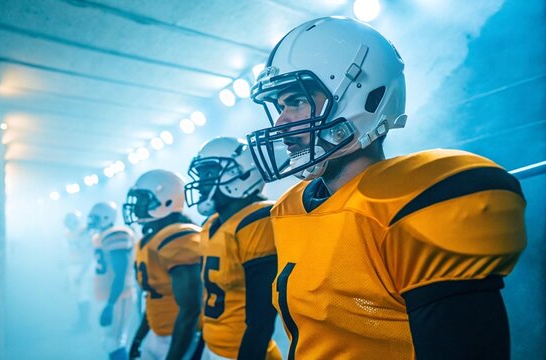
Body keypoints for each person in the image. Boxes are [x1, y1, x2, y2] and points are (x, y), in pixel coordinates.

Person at [245, 16, 527, 360]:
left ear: (360, 95)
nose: (280, 121)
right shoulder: (290, 209)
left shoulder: (409, 202)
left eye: (296, 101)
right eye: (279, 106)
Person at [185, 136, 282, 360]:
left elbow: (261, 319)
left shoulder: (256, 221)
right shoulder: (211, 224)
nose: (200, 183)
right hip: (214, 345)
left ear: (244, 174)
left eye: (208, 174)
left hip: (243, 352)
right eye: (200, 175)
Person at [123, 169, 203, 360]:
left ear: (167, 200)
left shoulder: (178, 238)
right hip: (157, 331)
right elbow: (154, 296)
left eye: (142, 199)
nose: (136, 206)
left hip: (180, 337)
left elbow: (191, 309)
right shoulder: (150, 240)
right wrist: (139, 337)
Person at [88, 201, 137, 360]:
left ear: (105, 217)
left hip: (119, 295)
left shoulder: (116, 235)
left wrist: (110, 303)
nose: (91, 222)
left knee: (114, 342)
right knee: (109, 341)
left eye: (95, 218)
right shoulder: (100, 236)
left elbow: (120, 273)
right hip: (110, 295)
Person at [63, 211, 93, 332]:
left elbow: (88, 255)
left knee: (83, 296)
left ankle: (84, 324)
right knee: (79, 296)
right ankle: (82, 322)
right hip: (74, 266)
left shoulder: (83, 233)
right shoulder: (70, 234)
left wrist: (82, 273)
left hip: (82, 266)